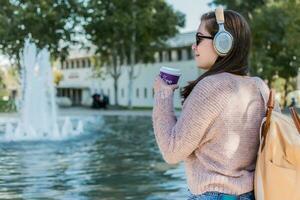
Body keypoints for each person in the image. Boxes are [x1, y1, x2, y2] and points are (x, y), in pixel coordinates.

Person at [152, 8, 280, 200]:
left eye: (198, 39)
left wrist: (162, 94)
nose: (194, 47)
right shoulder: (261, 87)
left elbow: (172, 151)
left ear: (223, 43)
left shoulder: (212, 87)